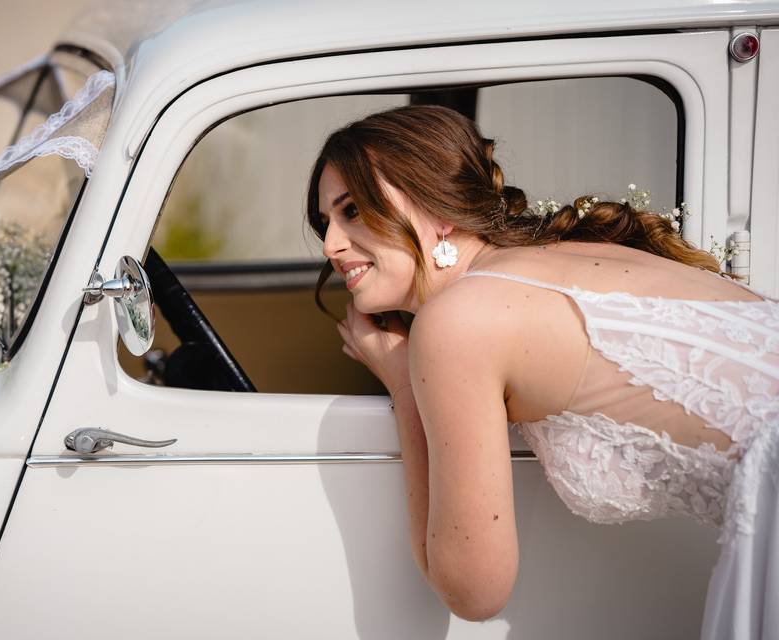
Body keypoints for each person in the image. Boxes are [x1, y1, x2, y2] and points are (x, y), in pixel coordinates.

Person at [306, 104, 779, 638]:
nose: (330, 246)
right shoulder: (578, 254)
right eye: (326, 222)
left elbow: (473, 591)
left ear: (439, 208)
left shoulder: (459, 321)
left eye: (352, 211)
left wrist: (401, 383)